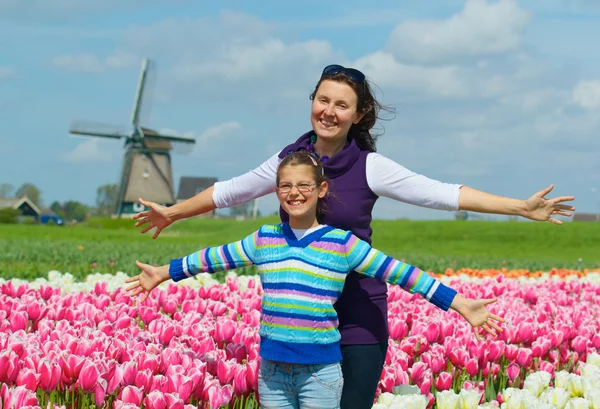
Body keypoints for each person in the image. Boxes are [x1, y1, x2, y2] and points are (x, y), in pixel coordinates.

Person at [132, 64, 575, 408]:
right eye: (322, 100)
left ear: (358, 114)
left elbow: (441, 194)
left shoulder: (369, 166)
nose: (329, 111)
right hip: (300, 318)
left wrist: (519, 207)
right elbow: (232, 190)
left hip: (357, 313)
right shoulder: (290, 161)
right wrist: (172, 213)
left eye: (341, 105)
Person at [125, 151, 504, 409]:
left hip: (320, 374)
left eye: (304, 185)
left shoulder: (341, 244)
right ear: (277, 191)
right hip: (272, 372)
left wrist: (459, 303)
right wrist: (163, 273)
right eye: (286, 186)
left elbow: (403, 274)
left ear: (321, 189)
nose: (295, 193)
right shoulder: (264, 239)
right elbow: (210, 259)